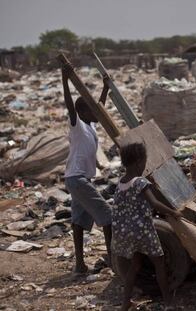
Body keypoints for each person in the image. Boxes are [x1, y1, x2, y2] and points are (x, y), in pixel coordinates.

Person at [113, 143, 182, 311]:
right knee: (159, 264)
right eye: (144, 161)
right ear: (138, 162)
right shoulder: (140, 182)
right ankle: (167, 301)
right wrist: (174, 213)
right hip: (144, 231)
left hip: (127, 233)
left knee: (134, 266)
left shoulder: (120, 184)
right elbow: (154, 203)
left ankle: (125, 303)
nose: (145, 165)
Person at [61, 63, 112, 274]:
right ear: (81, 112)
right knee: (108, 216)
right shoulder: (78, 125)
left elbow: (98, 106)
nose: (97, 113)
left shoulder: (90, 125)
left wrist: (106, 88)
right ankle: (113, 260)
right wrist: (65, 79)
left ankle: (80, 265)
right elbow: (69, 104)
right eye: (90, 109)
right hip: (78, 179)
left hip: (79, 180)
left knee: (79, 222)